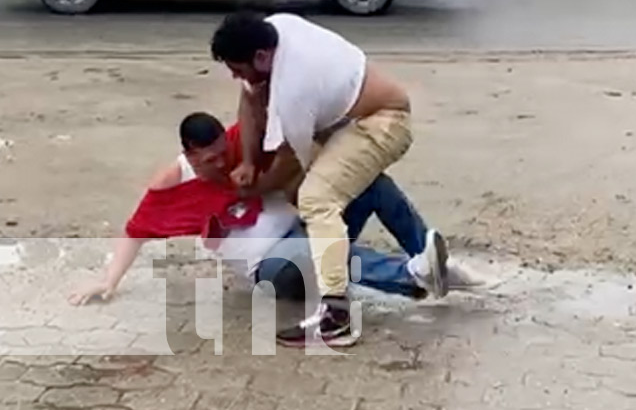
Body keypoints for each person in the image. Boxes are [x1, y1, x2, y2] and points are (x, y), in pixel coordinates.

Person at [69, 113, 470, 321]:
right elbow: (135, 231)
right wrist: (108, 281)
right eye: (208, 161)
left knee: (372, 184)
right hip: (274, 270)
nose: (220, 164)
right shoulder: (172, 185)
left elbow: (285, 125)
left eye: (222, 154)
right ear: (190, 155)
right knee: (315, 249)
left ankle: (430, 261)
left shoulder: (241, 141)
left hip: (304, 227)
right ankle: (412, 275)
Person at [210, 11, 426, 347]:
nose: (236, 77)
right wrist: (250, 162)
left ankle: (338, 314)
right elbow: (249, 96)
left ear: (262, 58)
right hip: (356, 120)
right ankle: (426, 261)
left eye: (238, 69)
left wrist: (254, 187)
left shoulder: (293, 92)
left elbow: (291, 163)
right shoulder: (275, 28)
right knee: (351, 200)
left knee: (317, 199)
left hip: (384, 120)